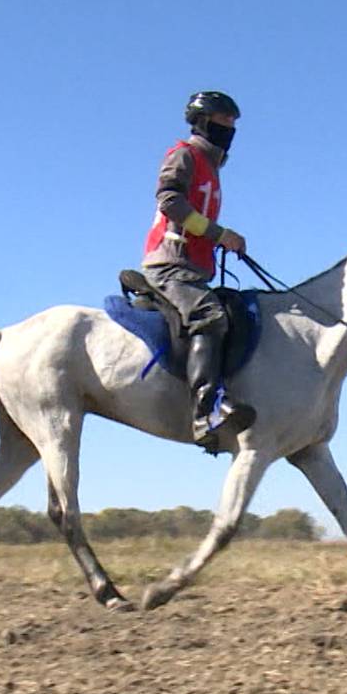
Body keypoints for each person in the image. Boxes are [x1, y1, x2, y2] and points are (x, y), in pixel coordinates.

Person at [141, 90, 255, 451]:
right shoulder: (184, 156)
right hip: (169, 265)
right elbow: (170, 200)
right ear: (204, 123)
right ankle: (205, 413)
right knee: (209, 316)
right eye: (224, 123)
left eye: (234, 125)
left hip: (195, 270)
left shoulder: (212, 167)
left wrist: (219, 240)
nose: (230, 130)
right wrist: (219, 233)